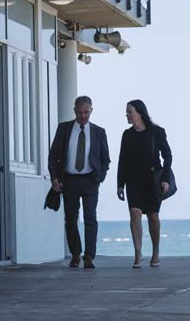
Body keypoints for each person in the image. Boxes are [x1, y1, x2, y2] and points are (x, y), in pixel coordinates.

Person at [47, 96, 111, 268]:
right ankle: (76, 254)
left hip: (90, 181)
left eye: (86, 112)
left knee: (91, 217)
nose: (83, 116)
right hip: (69, 181)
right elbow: (53, 156)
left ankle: (89, 256)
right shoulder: (64, 129)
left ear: (91, 110)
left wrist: (100, 177)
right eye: (80, 112)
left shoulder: (99, 132)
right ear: (74, 111)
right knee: (71, 219)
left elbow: (106, 159)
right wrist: (54, 178)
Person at [117, 100, 173, 269]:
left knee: (153, 216)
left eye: (129, 111)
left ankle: (155, 252)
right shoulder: (127, 135)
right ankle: (137, 253)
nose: (127, 115)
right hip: (133, 181)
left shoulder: (157, 132)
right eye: (126, 112)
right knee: (134, 213)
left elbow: (168, 156)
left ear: (139, 113)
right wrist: (120, 185)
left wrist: (166, 178)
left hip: (153, 180)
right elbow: (123, 161)